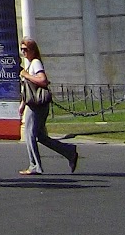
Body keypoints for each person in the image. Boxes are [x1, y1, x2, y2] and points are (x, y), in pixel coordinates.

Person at [18, 37, 79, 175]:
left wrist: (26, 75)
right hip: (33, 103)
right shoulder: (29, 64)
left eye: (26, 49)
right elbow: (28, 89)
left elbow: (43, 80)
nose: (23, 52)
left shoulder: (35, 63)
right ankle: (69, 152)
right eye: (22, 49)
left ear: (33, 50)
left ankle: (35, 166)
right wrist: (22, 104)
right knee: (41, 136)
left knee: (29, 135)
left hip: (37, 106)